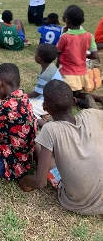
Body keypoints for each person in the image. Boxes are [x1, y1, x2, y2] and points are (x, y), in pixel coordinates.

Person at [19, 79, 103, 215]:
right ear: (74, 102)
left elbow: (40, 182)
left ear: (45, 107)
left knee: (37, 147)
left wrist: (24, 181)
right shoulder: (92, 115)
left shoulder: (50, 129)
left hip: (80, 204)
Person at [57, 6, 103, 108]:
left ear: (67, 20)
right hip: (82, 73)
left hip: (67, 74)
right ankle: (99, 98)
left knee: (62, 95)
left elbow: (58, 53)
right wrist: (84, 55)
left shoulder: (65, 37)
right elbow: (95, 55)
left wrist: (56, 69)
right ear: (83, 21)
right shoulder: (89, 36)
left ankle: (83, 103)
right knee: (77, 93)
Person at [26, 44, 62, 121]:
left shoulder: (45, 76)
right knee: (24, 102)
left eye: (35, 53)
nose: (34, 55)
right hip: (54, 99)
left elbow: (36, 94)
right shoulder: (51, 67)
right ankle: (46, 113)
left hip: (50, 102)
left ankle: (43, 123)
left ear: (39, 59)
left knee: (26, 109)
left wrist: (20, 95)